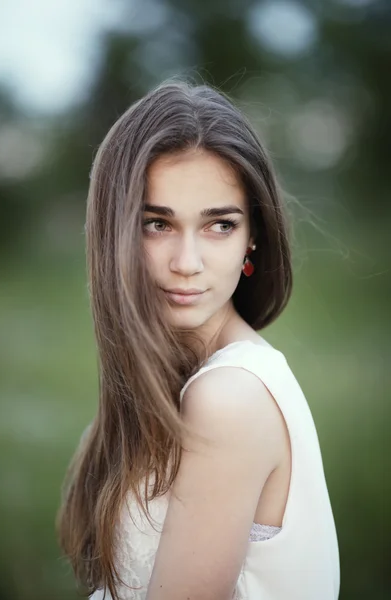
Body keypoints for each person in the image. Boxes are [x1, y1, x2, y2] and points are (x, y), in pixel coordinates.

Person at [56, 79, 340, 600]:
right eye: (157, 224)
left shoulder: (230, 397)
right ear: (115, 231)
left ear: (254, 232)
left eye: (219, 225)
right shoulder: (177, 377)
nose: (186, 264)